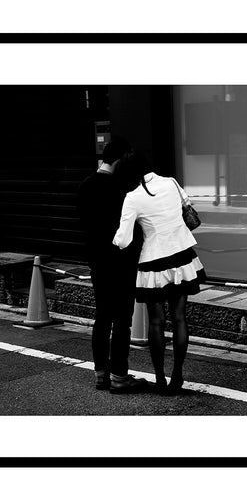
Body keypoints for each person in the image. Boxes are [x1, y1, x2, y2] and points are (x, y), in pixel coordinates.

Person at [113, 149, 206, 395]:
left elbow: (123, 240)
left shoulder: (132, 197)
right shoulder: (171, 183)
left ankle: (159, 378)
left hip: (153, 261)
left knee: (156, 321)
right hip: (183, 257)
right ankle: (178, 374)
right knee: (179, 318)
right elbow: (187, 208)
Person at [76, 137, 148, 394]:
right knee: (122, 321)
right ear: (120, 159)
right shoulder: (120, 189)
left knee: (102, 317)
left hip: (97, 262)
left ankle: (100, 374)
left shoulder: (84, 186)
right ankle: (119, 375)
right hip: (121, 262)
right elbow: (130, 230)